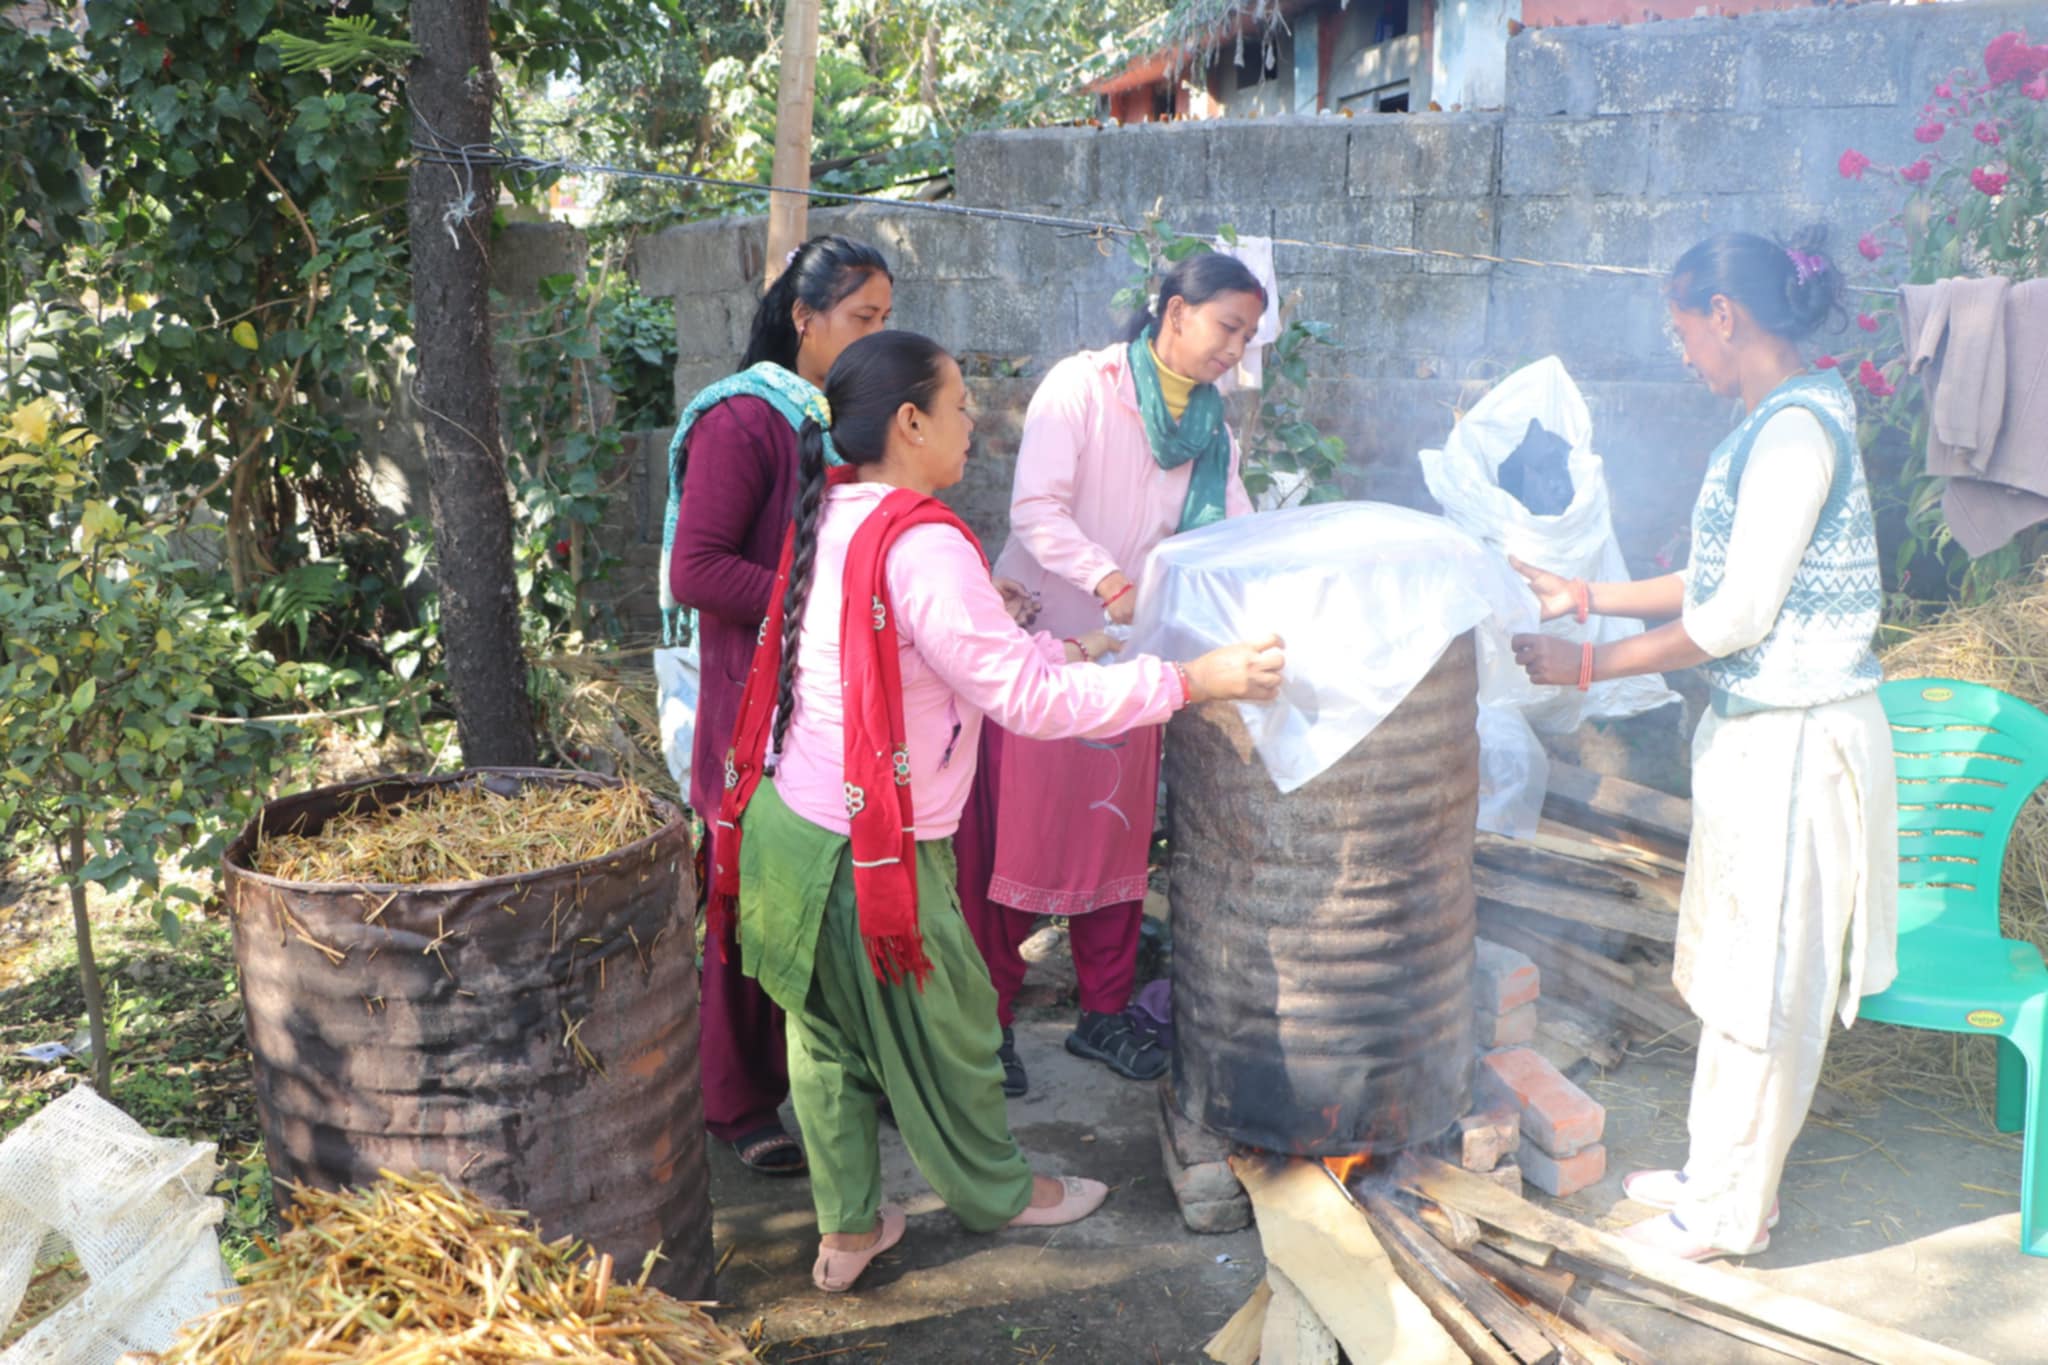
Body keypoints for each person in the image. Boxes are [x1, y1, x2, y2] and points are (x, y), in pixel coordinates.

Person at [710, 330, 1285, 1292]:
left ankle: (848, 1228)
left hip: (788, 828)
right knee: (963, 1030)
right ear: (909, 422)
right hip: (872, 854)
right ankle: (998, 1193)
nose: (975, 423)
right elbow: (1025, 704)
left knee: (827, 1043)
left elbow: (926, 664)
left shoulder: (837, 510)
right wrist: (1191, 678)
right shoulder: (925, 539)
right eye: (962, 405)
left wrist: (1054, 640)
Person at [1508, 230, 1897, 1262]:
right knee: (1733, 972)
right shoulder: (1766, 422)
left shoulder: (1791, 436)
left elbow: (1730, 621)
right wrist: (1584, 596)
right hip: (1758, 738)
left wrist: (1588, 665)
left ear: (1722, 315)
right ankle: (1716, 1171)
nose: (1679, 350)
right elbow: (1711, 583)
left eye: (1682, 328)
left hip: (1796, 745)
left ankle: (1730, 1212)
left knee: (1764, 985)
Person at [963, 252, 1270, 1095]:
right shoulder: (1082, 388)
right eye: (1226, 327)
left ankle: (1102, 1014)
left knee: (1115, 835)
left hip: (1137, 657)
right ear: (1175, 313)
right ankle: (989, 1025)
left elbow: (1231, 541)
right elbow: (1035, 508)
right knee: (1016, 843)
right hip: (1044, 647)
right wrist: (1109, 582)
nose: (1234, 351)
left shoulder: (1212, 431)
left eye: (1246, 335)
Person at [659, 234, 894, 1177]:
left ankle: (827, 1074)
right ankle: (738, 1100)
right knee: (747, 899)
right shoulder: (742, 421)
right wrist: (824, 595)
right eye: (861, 318)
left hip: (829, 696)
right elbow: (699, 569)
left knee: (823, 890)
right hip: (752, 703)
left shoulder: (842, 420)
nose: (878, 334)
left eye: (885, 319)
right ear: (802, 318)